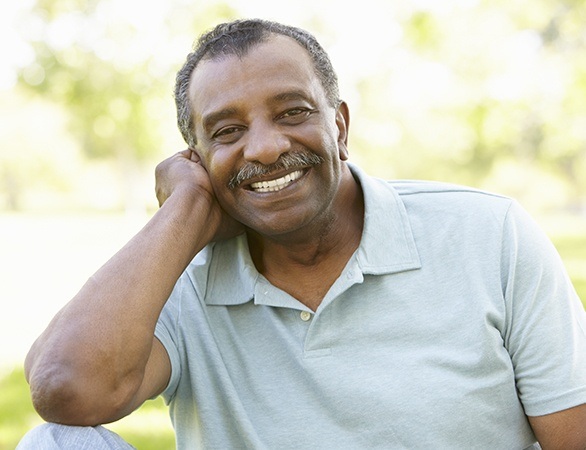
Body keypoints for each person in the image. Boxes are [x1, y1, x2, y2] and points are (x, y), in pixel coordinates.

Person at [17, 18, 586, 449]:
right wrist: (181, 212)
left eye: (291, 113)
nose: (264, 148)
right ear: (196, 158)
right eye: (228, 131)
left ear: (338, 124)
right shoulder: (176, 281)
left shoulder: (489, 234)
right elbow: (66, 391)